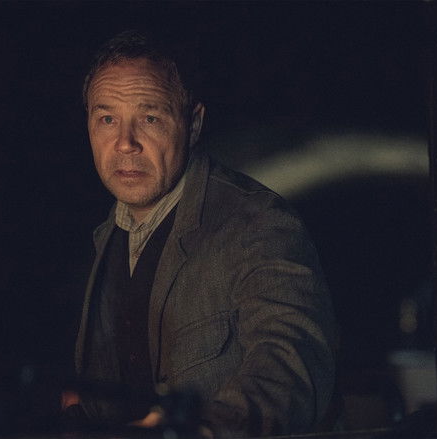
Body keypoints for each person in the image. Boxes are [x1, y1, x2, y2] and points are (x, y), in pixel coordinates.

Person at [64, 30, 338, 438]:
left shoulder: (257, 223)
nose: (125, 144)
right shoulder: (106, 237)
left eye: (150, 118)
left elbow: (292, 365)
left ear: (193, 124)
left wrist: (205, 428)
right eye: (107, 119)